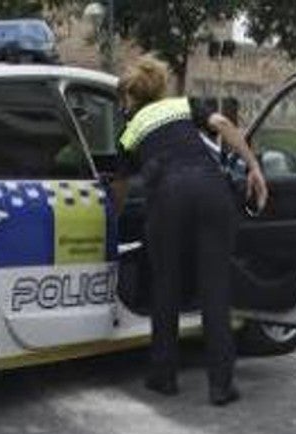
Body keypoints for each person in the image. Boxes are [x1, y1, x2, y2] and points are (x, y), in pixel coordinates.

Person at [112, 56, 268, 407]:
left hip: (167, 200)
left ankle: (163, 376)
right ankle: (221, 386)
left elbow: (120, 184)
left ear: (132, 97)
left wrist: (114, 218)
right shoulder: (182, 106)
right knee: (215, 288)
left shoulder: (132, 128)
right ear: (161, 85)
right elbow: (224, 124)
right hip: (212, 193)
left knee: (165, 286)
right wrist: (254, 166)